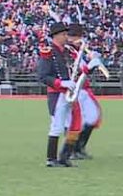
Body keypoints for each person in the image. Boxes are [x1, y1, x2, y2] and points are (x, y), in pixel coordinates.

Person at [37, 22, 80, 167]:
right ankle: (51, 158)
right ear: (56, 36)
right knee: (57, 126)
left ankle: (64, 156)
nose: (66, 37)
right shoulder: (48, 52)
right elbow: (43, 76)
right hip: (56, 94)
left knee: (71, 124)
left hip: (68, 93)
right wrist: (61, 83)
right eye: (63, 34)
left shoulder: (66, 51)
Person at [67, 23, 102, 160]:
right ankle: (71, 149)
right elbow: (78, 71)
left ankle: (79, 147)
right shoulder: (67, 51)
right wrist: (91, 64)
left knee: (93, 117)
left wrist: (91, 61)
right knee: (74, 122)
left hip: (83, 89)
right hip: (74, 89)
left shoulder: (77, 51)